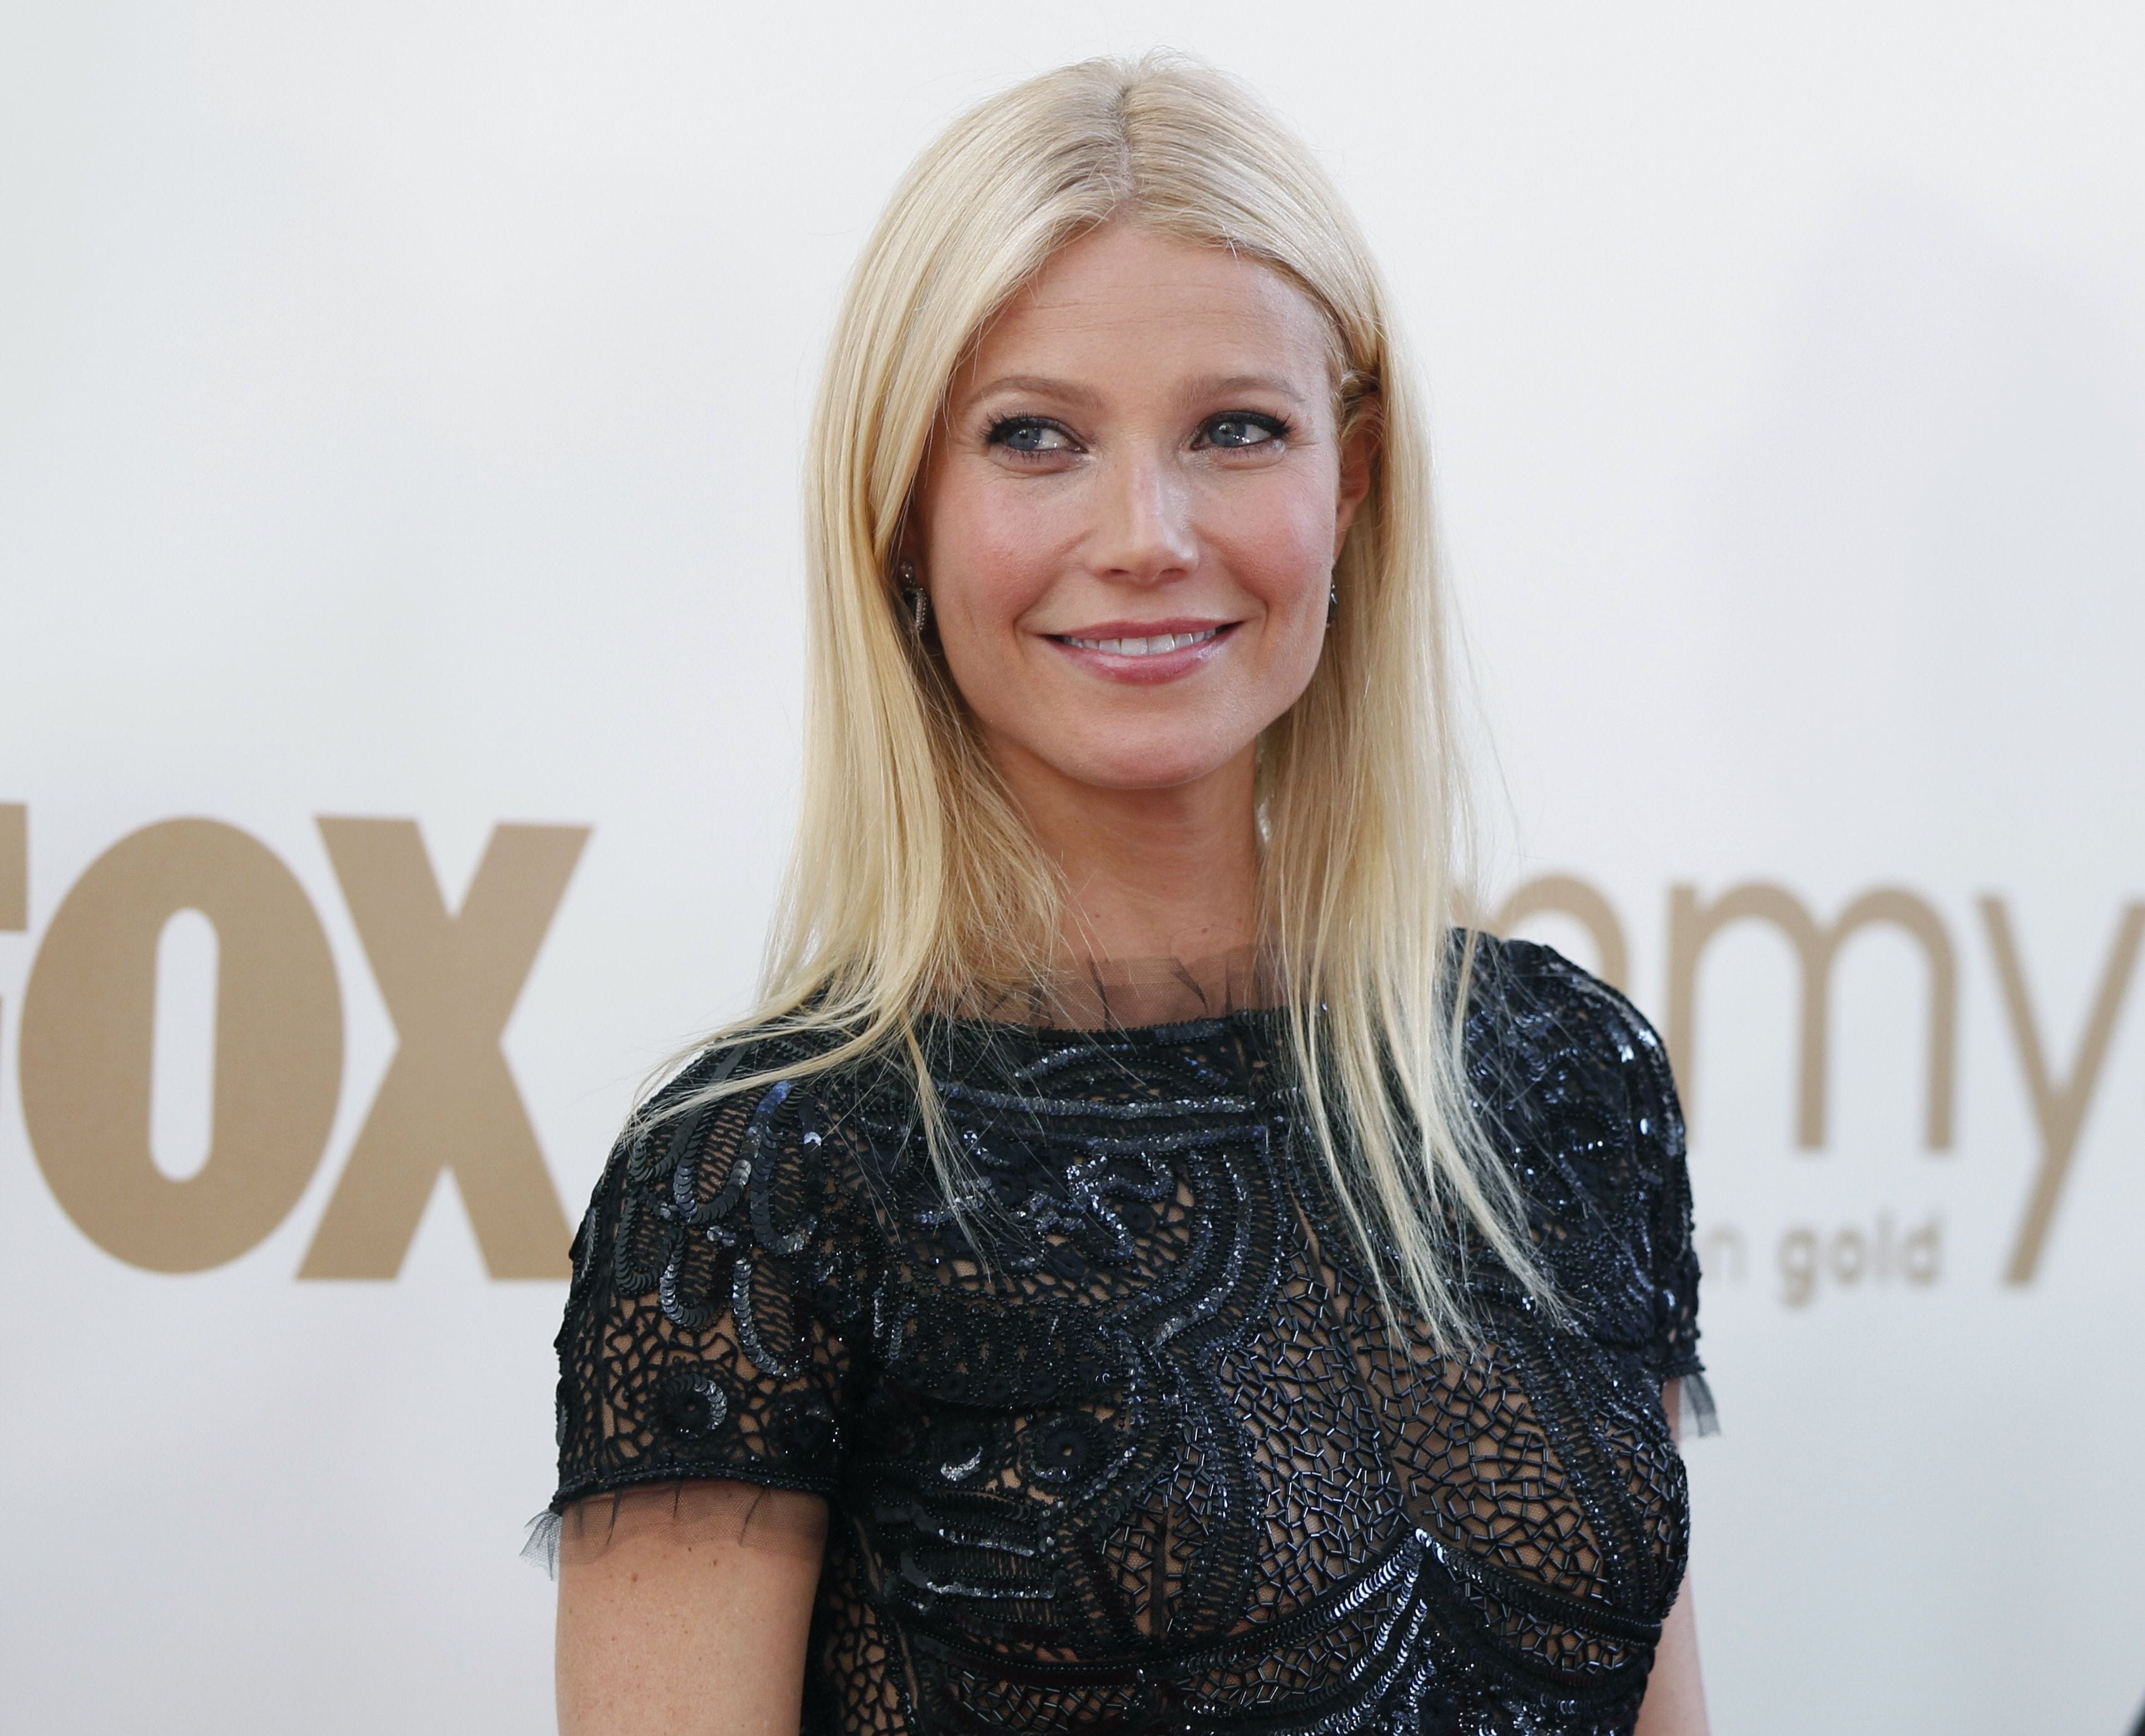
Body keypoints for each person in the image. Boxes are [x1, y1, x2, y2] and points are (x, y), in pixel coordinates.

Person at [539, 52, 1713, 1736]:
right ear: (903, 508)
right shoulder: (764, 1179)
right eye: (1035, 438)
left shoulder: (1561, 1077)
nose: (1147, 533)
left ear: (1349, 483)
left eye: (1237, 430)